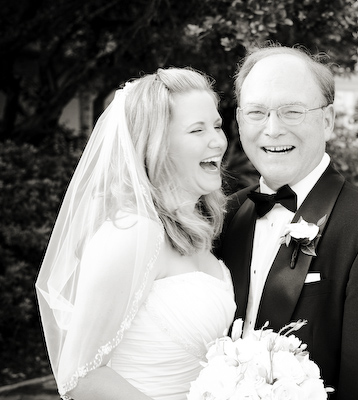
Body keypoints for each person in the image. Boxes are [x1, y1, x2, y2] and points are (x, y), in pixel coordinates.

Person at [217, 44, 358, 399]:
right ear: (239, 122)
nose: (273, 129)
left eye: (292, 111)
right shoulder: (223, 217)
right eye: (257, 112)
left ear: (327, 121)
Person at [36, 67, 235, 400]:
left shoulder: (194, 230)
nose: (218, 140)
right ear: (157, 144)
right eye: (197, 130)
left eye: (216, 125)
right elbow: (78, 377)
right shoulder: (132, 233)